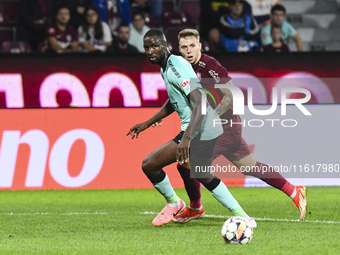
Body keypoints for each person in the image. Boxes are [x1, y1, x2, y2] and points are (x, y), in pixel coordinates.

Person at [172, 28, 306, 223]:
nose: (189, 50)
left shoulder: (210, 66)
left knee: (189, 164)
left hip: (223, 127)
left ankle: (196, 207)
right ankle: (294, 191)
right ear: (180, 49)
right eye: (184, 47)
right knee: (249, 165)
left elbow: (230, 94)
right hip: (222, 127)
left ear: (200, 46)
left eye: (193, 46)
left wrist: (213, 117)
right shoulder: (183, 68)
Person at [126, 28, 257, 227]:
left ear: (164, 46)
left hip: (200, 127)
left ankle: (174, 203)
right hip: (203, 126)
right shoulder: (166, 67)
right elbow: (174, 100)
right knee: (202, 174)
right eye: (146, 48)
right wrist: (147, 123)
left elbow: (200, 101)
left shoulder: (175, 66)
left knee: (150, 164)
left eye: (154, 46)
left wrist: (186, 139)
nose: (150, 51)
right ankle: (242, 216)